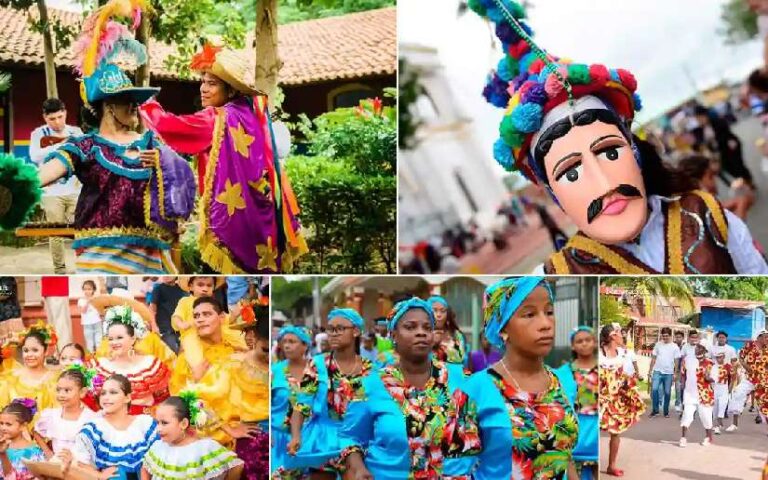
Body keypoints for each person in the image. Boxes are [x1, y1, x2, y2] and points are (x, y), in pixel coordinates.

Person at [468, 0, 768, 274]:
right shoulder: (557, 283)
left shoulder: (706, 215)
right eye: (571, 172)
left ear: (633, 150)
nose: (604, 184)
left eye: (610, 152)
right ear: (551, 190)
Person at [34, 0, 196, 274]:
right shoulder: (86, 146)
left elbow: (183, 177)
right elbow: (47, 172)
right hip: (99, 259)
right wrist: (15, 186)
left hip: (149, 258)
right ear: (108, 106)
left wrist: (162, 163)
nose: (135, 106)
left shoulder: (151, 143)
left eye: (136, 100)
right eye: (126, 101)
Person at [140, 42, 308, 273]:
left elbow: (172, 127)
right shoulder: (248, 112)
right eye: (202, 81)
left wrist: (147, 106)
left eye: (212, 83)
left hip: (237, 214)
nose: (203, 88)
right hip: (261, 208)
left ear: (230, 90)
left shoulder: (219, 118)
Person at [449, 278, 578, 479]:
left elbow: (565, 457)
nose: (545, 324)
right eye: (529, 314)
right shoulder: (474, 390)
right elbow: (455, 470)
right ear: (502, 328)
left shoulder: (563, 382)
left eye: (549, 312)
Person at [338, 298, 469, 479]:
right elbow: (350, 437)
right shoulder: (370, 385)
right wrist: (357, 467)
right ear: (393, 335)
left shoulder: (461, 379)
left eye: (427, 328)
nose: (421, 333)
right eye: (410, 327)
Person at [281, 309, 374, 479]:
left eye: (339, 328)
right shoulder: (318, 364)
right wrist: (296, 436)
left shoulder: (371, 369)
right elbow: (301, 404)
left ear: (356, 331)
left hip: (359, 439)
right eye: (330, 329)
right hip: (323, 438)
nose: (333, 334)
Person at [169, 297, 243, 447]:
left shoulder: (236, 348)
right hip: (203, 439)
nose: (200, 319)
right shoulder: (189, 358)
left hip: (241, 430)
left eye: (206, 314)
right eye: (196, 316)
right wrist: (195, 380)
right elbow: (179, 402)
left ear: (222, 317)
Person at [29, 98, 84, 274]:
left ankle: (84, 267)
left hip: (76, 190)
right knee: (55, 234)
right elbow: (35, 156)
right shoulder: (38, 134)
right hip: (51, 192)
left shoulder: (76, 132)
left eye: (60, 117)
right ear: (45, 117)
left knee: (82, 231)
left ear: (65, 113)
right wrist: (61, 145)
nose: (57, 122)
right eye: (52, 119)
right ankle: (60, 270)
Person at [68, 374, 159, 479]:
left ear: (127, 397)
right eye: (103, 393)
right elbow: (79, 464)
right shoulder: (94, 429)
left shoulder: (145, 423)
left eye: (113, 392)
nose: (106, 397)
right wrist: (99, 475)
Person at [89, 305, 171, 414]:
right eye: (110, 339)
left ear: (133, 338)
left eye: (119, 338)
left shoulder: (150, 366)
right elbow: (91, 402)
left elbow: (163, 401)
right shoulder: (99, 367)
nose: (114, 343)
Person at [142, 394, 244, 480]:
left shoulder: (204, 448)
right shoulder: (158, 446)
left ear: (183, 424)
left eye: (164, 423)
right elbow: (145, 468)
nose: (158, 429)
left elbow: (236, 466)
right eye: (157, 423)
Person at [173, 277, 245, 374]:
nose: (205, 289)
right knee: (192, 347)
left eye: (209, 285)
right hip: (192, 335)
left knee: (234, 338)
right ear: (191, 287)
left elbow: (225, 320)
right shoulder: (185, 301)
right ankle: (199, 369)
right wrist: (182, 324)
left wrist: (235, 314)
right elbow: (176, 316)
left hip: (215, 339)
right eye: (200, 285)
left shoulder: (213, 303)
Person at [227, 314, 270, 480]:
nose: (268, 357)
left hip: (281, 440)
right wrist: (228, 428)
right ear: (254, 337)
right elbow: (199, 401)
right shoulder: (234, 364)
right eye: (264, 350)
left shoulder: (283, 367)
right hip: (252, 441)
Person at [600, 324, 645, 477]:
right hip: (598, 398)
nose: (622, 336)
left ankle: (611, 465)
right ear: (613, 336)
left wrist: (627, 383)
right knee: (589, 429)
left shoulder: (623, 354)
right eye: (619, 333)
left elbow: (624, 375)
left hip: (616, 398)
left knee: (616, 432)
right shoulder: (597, 354)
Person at [555, 326, 598, 480]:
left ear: (594, 342)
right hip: (574, 447)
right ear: (573, 346)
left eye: (588, 340)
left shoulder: (604, 370)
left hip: (597, 444)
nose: (584, 344)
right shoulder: (562, 374)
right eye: (579, 341)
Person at [33, 365, 100, 459]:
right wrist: (48, 453)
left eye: (67, 390)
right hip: (56, 465)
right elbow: (36, 432)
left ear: (82, 392)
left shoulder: (91, 418)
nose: (61, 395)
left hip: (81, 467)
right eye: (58, 390)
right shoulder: (52, 415)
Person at [271, 325, 310, 478]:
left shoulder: (316, 371)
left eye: (292, 341)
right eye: (284, 341)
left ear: (305, 345)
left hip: (309, 437)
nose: (286, 345)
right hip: (279, 439)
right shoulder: (274, 371)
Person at [0, 323, 59, 411]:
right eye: (26, 350)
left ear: (46, 351)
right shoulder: (10, 378)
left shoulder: (54, 380)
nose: (29, 355)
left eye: (35, 350)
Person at [726, 330, 768, 432]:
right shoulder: (750, 345)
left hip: (763, 379)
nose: (767, 339)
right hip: (749, 378)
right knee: (737, 393)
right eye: (765, 337)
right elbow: (740, 357)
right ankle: (734, 424)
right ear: (759, 337)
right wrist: (745, 366)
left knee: (765, 402)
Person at [679, 344, 716, 447]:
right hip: (690, 393)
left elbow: (714, 378)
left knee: (706, 417)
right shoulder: (687, 360)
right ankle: (683, 438)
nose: (697, 350)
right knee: (687, 414)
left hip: (705, 394)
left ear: (704, 350)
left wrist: (708, 377)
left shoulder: (710, 363)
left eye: (700, 348)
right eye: (696, 348)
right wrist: (682, 384)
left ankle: (708, 437)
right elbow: (683, 374)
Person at [0, 399, 46, 479]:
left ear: (23, 426)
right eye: (1, 423)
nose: (3, 428)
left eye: (8, 424)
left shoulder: (34, 452)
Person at [647, 327, 681, 418]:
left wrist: (675, 373)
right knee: (654, 390)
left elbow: (676, 360)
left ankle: (666, 411)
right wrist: (650, 370)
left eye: (667, 336)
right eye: (663, 336)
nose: (665, 338)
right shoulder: (658, 345)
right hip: (657, 371)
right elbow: (653, 358)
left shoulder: (674, 346)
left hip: (669, 372)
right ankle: (655, 410)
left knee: (667, 392)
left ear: (670, 336)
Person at [150, 276, 188, 354]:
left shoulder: (183, 290)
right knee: (172, 352)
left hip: (181, 329)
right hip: (166, 329)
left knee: (184, 354)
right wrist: (154, 325)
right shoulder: (158, 289)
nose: (167, 276)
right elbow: (152, 309)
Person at [429, 296, 468, 366]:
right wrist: (432, 344)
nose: (439, 315)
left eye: (442, 311)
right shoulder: (422, 334)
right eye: (434, 310)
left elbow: (462, 360)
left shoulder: (456, 335)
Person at [41, 276, 72, 350]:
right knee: (52, 326)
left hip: (57, 286)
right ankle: (58, 353)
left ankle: (64, 352)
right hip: (49, 287)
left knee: (61, 325)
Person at [78, 279, 102, 353]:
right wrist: (88, 301)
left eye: (89, 289)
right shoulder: (81, 300)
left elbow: (100, 310)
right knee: (89, 342)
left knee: (99, 341)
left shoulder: (97, 299)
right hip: (87, 324)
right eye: (85, 289)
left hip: (97, 322)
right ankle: (90, 358)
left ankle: (99, 357)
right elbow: (83, 311)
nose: (87, 291)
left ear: (93, 290)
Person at [712, 352, 733, 435]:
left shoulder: (728, 366)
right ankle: (718, 423)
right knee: (715, 409)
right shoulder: (714, 367)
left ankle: (717, 427)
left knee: (722, 407)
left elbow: (733, 378)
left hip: (724, 389)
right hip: (715, 389)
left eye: (720, 357)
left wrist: (730, 389)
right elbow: (712, 378)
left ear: (723, 357)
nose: (718, 359)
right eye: (717, 357)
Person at [674, 330, 686, 411]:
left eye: (679, 337)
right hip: (675, 370)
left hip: (684, 370)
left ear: (683, 338)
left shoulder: (685, 346)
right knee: (677, 388)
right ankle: (678, 403)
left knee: (683, 388)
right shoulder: (673, 346)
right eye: (676, 337)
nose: (678, 339)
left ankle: (683, 403)